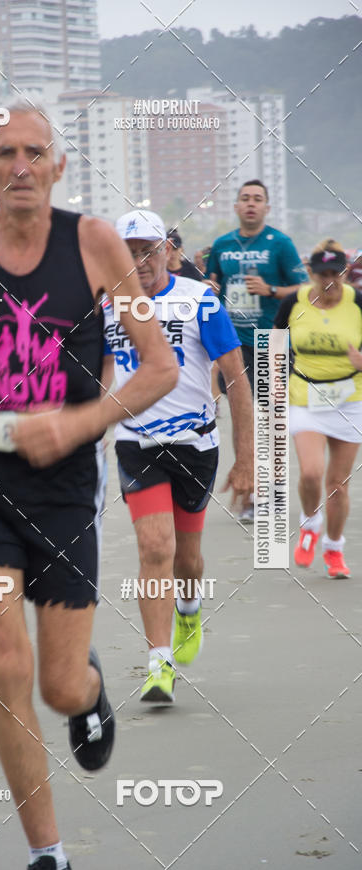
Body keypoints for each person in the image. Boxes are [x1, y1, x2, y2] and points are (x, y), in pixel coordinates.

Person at [0, 101, 178, 870]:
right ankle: (48, 859)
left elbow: (156, 367)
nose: (20, 165)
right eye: (4, 153)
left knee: (57, 686)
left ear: (58, 166)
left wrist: (81, 424)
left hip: (63, 486)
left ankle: (87, 689)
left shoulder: (92, 243)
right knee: (3, 661)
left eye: (35, 152)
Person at [103, 210, 253, 703]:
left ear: (168, 250)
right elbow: (99, 375)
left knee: (187, 560)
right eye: (128, 252)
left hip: (195, 445)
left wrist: (245, 459)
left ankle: (190, 607)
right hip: (135, 442)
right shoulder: (108, 305)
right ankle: (158, 664)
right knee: (154, 548)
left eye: (147, 249)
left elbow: (235, 378)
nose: (139, 261)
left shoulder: (199, 301)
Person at [206, 179, 307, 521]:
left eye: (257, 199)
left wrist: (270, 289)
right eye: (245, 199)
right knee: (243, 418)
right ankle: (249, 494)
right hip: (233, 344)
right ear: (236, 207)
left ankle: (274, 491)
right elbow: (211, 286)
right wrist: (211, 287)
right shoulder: (221, 245)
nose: (251, 204)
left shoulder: (280, 244)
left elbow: (304, 291)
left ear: (266, 207)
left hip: (272, 340)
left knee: (272, 420)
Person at [274, 238, 362, 578]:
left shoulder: (358, 304)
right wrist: (276, 386)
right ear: (310, 272)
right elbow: (274, 343)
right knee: (310, 473)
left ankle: (334, 550)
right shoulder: (293, 303)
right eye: (322, 273)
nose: (329, 280)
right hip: (305, 395)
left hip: (350, 399)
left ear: (345, 273)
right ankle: (310, 523)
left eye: (336, 273)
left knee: (338, 484)